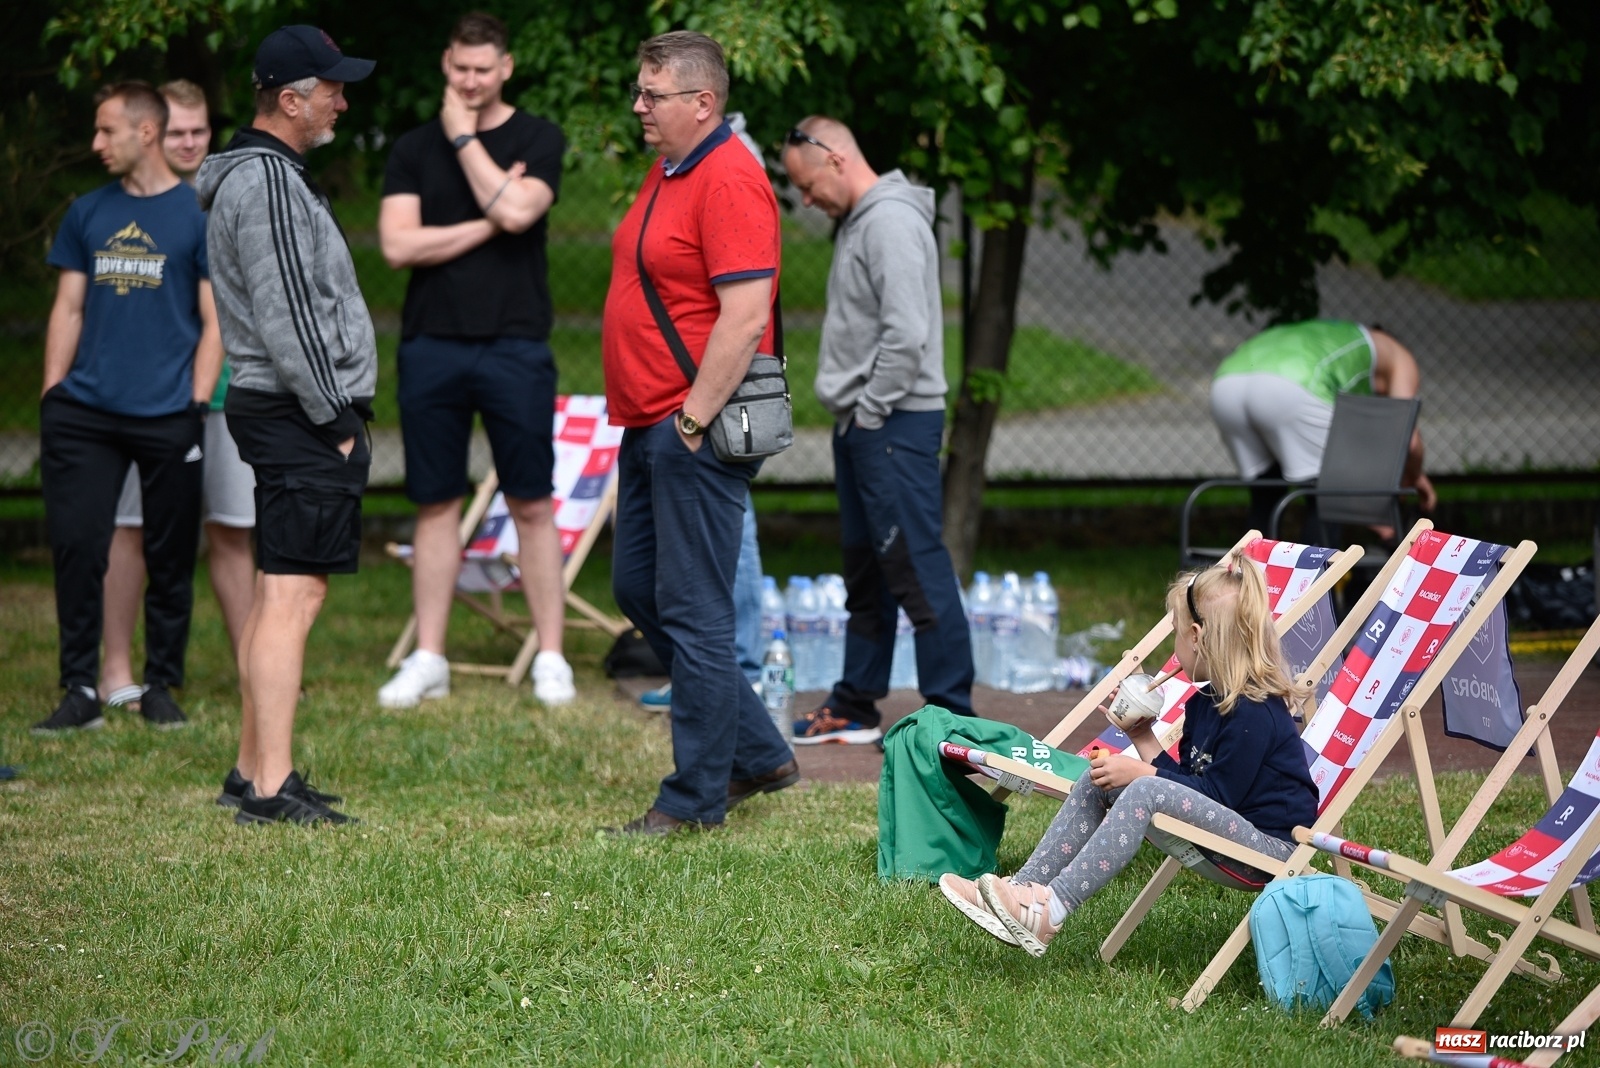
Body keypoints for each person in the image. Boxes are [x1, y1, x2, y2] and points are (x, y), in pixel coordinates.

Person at [601, 30, 798, 834]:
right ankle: (758, 752)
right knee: (638, 590)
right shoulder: (673, 167)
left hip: (691, 426)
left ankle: (693, 799)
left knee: (694, 610)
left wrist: (691, 418)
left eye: (652, 94)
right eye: (640, 91)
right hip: (651, 420)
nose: (639, 107)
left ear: (702, 102)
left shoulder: (730, 178)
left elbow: (746, 316)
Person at [938, 564, 1318, 956]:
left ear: (1196, 636)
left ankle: (1050, 910)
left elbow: (1219, 797)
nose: (1174, 647)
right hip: (1224, 836)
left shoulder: (1255, 712)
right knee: (1100, 778)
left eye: (1175, 633)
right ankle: (1020, 891)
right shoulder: (1204, 704)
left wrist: (1142, 772)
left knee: (1142, 786)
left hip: (1267, 850)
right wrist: (1142, 737)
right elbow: (1188, 790)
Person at [195, 24, 376, 825]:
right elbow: (289, 315)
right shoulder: (267, 182)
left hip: (279, 408)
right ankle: (271, 788)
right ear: (292, 100)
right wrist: (335, 417)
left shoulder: (263, 176)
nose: (342, 102)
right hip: (298, 411)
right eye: (332, 89)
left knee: (278, 591)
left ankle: (249, 770)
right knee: (293, 597)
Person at [376, 11, 575, 708]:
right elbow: (397, 246)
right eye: (460, 69)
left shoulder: (539, 137)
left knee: (531, 501)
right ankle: (429, 656)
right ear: (445, 63)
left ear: (506, 68)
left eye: (483, 70)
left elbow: (524, 213)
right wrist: (491, 216)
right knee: (436, 503)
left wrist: (464, 139)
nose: (469, 81)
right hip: (430, 343)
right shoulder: (411, 148)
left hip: (516, 343)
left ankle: (551, 656)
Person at [779, 116, 974, 745]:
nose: (807, 200)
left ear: (836, 159)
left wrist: (871, 411)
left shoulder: (889, 220)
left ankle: (954, 720)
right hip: (869, 422)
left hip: (892, 422)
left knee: (915, 566)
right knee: (867, 569)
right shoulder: (862, 220)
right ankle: (856, 703)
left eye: (808, 186)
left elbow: (908, 333)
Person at [34, 80, 222, 733]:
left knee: (171, 555)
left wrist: (196, 404)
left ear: (146, 132)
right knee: (79, 549)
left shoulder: (197, 215)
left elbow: (215, 321)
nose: (96, 143)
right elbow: (68, 307)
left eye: (105, 130)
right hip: (85, 414)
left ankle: (161, 683)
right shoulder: (88, 211)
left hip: (169, 413)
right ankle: (81, 689)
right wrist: (53, 393)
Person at [100, 80, 258, 712]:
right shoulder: (129, 209)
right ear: (152, 134)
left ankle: (257, 668)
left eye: (199, 131)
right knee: (132, 528)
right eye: (177, 132)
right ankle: (115, 670)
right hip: (153, 402)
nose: (189, 143)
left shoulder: (232, 197)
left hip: (228, 395)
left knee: (233, 531)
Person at [1209, 319, 1437, 541]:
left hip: (1226, 384)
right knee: (1326, 499)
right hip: (1293, 383)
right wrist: (1415, 476)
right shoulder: (1398, 354)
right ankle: (1318, 568)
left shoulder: (1336, 335)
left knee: (1266, 494)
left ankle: (1249, 567)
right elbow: (1408, 439)